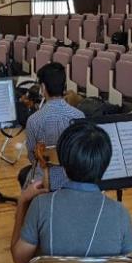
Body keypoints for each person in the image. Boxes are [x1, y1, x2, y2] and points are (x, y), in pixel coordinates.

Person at [11, 121, 132, 263]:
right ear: (104, 164)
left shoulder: (42, 205)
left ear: (64, 162)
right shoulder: (120, 213)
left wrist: (23, 202)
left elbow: (21, 260)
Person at [19, 62, 84, 190]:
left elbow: (33, 158)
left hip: (45, 181)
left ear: (43, 88)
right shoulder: (79, 116)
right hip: (73, 179)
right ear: (64, 86)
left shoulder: (34, 120)